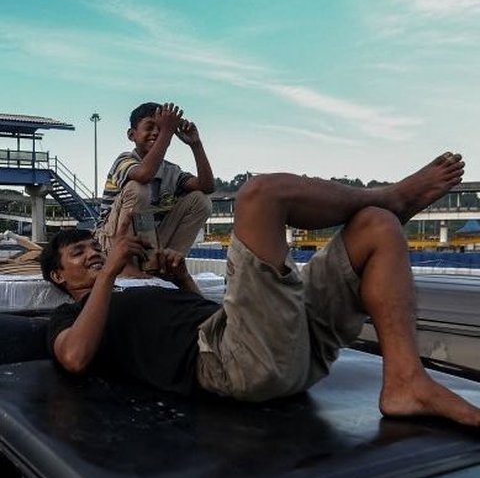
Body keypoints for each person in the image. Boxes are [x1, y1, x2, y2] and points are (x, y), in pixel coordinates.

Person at [40, 151, 480, 427]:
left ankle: (404, 382)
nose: (93, 254)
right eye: (77, 255)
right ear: (59, 278)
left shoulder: (144, 285)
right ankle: (392, 197)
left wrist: (181, 281)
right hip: (237, 365)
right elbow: (75, 357)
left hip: (285, 348)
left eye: (92, 247)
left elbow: (199, 322)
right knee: (261, 195)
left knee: (376, 228)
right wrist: (113, 273)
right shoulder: (68, 317)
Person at [95, 101, 215, 266]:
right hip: (111, 242)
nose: (156, 133)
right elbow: (144, 175)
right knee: (137, 188)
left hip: (150, 242)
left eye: (161, 128)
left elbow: (207, 187)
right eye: (150, 127)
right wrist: (167, 132)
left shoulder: (171, 171)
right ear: (131, 135)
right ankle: (126, 266)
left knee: (201, 200)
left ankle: (166, 263)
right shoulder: (124, 161)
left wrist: (196, 144)